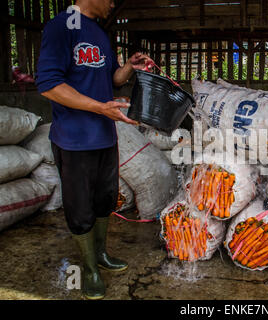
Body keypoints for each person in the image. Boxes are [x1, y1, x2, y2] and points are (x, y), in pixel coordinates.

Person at [36, 0, 152, 300]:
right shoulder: (60, 26)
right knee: (80, 208)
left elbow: (112, 78)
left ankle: (101, 254)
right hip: (73, 140)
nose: (114, 2)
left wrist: (128, 67)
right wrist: (100, 107)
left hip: (105, 136)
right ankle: (89, 270)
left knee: (104, 200)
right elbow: (49, 84)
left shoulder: (100, 34)